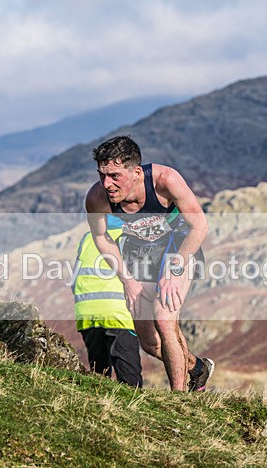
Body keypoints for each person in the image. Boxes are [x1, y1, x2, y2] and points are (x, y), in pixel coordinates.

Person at [85, 135, 214, 391]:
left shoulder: (165, 181)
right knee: (150, 343)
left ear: (135, 172)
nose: (107, 183)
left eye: (114, 176)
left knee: (165, 318)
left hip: (177, 246)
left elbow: (199, 225)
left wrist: (175, 268)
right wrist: (127, 280)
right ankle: (197, 368)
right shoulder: (97, 198)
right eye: (102, 175)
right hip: (139, 252)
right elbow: (101, 237)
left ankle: (179, 399)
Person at [73, 217, 143, 387]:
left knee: (99, 374)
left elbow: (74, 279)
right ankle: (132, 410)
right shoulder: (132, 236)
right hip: (118, 313)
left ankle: (100, 408)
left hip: (86, 313)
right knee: (129, 381)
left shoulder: (88, 237)